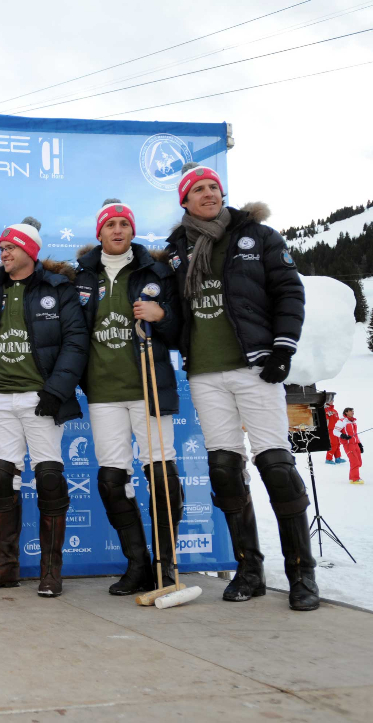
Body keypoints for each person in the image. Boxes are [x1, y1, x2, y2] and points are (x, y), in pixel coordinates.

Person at [165, 162, 319, 611]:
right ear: (185, 201)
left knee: (274, 464)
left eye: (214, 186)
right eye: (199, 189)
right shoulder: (177, 250)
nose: (209, 193)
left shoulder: (257, 236)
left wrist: (282, 348)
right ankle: (249, 569)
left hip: (255, 368)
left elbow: (289, 290)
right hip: (204, 372)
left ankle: (301, 573)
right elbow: (178, 310)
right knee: (223, 469)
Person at [0, 216, 89, 597]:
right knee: (1, 475)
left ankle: (51, 570)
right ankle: (7, 566)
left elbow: (75, 341)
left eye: (10, 247)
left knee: (49, 477)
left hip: (40, 398)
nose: (3, 252)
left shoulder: (58, 290)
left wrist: (57, 389)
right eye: (1, 247)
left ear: (29, 252)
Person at [74, 199, 183, 595]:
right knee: (111, 478)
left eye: (124, 224)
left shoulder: (155, 273)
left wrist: (162, 316)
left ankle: (164, 564)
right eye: (110, 225)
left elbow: (182, 329)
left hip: (148, 389)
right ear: (99, 233)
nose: (117, 230)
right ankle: (137, 563)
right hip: (103, 392)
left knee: (161, 474)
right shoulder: (81, 278)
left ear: (132, 231)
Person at [334, 407, 363, 484]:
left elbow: (355, 434)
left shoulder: (353, 422)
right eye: (351, 411)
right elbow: (335, 431)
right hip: (348, 444)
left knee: (359, 462)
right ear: (346, 412)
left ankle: (352, 477)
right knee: (354, 461)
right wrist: (343, 435)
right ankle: (355, 479)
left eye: (353, 411)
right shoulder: (342, 421)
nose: (352, 412)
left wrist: (359, 443)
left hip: (355, 444)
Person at [325, 395, 343, 464]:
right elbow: (323, 420)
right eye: (330, 400)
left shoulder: (334, 411)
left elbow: (337, 421)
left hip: (336, 430)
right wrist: (327, 414)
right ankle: (328, 459)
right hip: (330, 430)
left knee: (338, 443)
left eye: (332, 400)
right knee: (333, 444)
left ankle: (337, 458)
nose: (332, 402)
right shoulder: (325, 409)